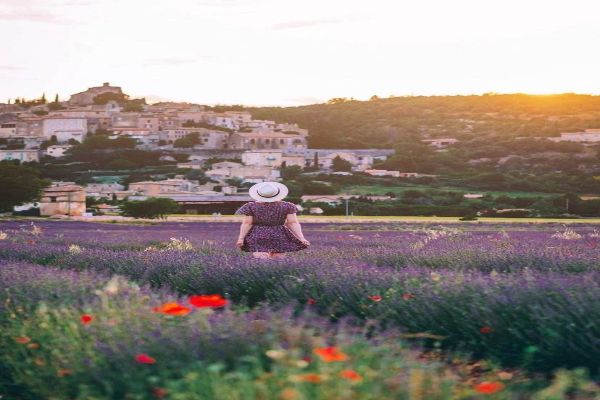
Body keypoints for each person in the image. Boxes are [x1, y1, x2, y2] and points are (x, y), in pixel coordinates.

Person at [236, 181, 310, 259]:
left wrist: (241, 238)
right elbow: (292, 223)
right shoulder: (288, 206)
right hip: (279, 234)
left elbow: (247, 223)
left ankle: (262, 270)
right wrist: (301, 238)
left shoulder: (250, 206)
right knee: (277, 258)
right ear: (278, 194)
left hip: (258, 234)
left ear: (259, 194)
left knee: (261, 258)